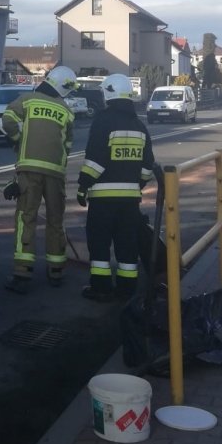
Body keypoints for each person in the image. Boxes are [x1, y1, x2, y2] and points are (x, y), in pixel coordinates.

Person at [76, 73, 156, 303]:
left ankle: (101, 288)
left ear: (108, 94)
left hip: (103, 199)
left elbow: (96, 160)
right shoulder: (139, 126)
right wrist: (136, 185)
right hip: (130, 201)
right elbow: (148, 166)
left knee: (99, 244)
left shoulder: (103, 121)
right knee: (126, 245)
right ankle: (127, 289)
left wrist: (83, 186)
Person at [1, 65, 78, 293]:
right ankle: (57, 272)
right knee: (56, 221)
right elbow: (67, 145)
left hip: (29, 171)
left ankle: (22, 274)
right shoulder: (67, 110)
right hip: (56, 173)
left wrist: (19, 139)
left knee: (27, 219)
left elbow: (8, 120)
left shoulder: (27, 100)